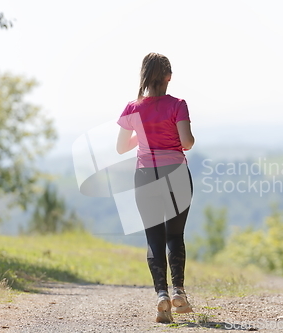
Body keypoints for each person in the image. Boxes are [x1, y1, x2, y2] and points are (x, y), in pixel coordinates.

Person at [116, 52, 195, 323]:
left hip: (145, 176)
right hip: (176, 175)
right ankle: (179, 293)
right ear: (169, 77)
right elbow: (187, 143)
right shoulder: (178, 105)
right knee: (175, 235)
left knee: (154, 238)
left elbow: (120, 147)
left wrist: (144, 131)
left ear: (145, 77)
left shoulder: (132, 108)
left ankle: (161, 296)